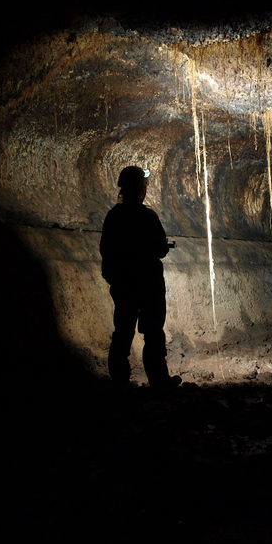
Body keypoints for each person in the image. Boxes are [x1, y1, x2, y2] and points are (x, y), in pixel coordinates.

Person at [99, 166, 179, 391]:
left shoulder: (114, 216)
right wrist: (162, 247)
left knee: (123, 330)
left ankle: (119, 381)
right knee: (153, 332)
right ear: (140, 188)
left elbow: (106, 249)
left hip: (124, 284)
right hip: (148, 284)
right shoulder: (147, 216)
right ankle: (159, 382)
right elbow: (159, 249)